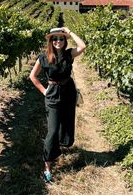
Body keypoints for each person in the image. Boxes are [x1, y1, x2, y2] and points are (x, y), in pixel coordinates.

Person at [29, 27, 86, 183]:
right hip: (53, 95)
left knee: (67, 123)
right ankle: (47, 166)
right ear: (50, 41)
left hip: (68, 93)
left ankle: (60, 147)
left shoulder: (69, 55)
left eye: (61, 39)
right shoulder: (44, 57)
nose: (58, 41)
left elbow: (82, 46)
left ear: (65, 40)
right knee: (52, 131)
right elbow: (32, 76)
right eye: (55, 39)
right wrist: (44, 91)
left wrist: (71, 32)